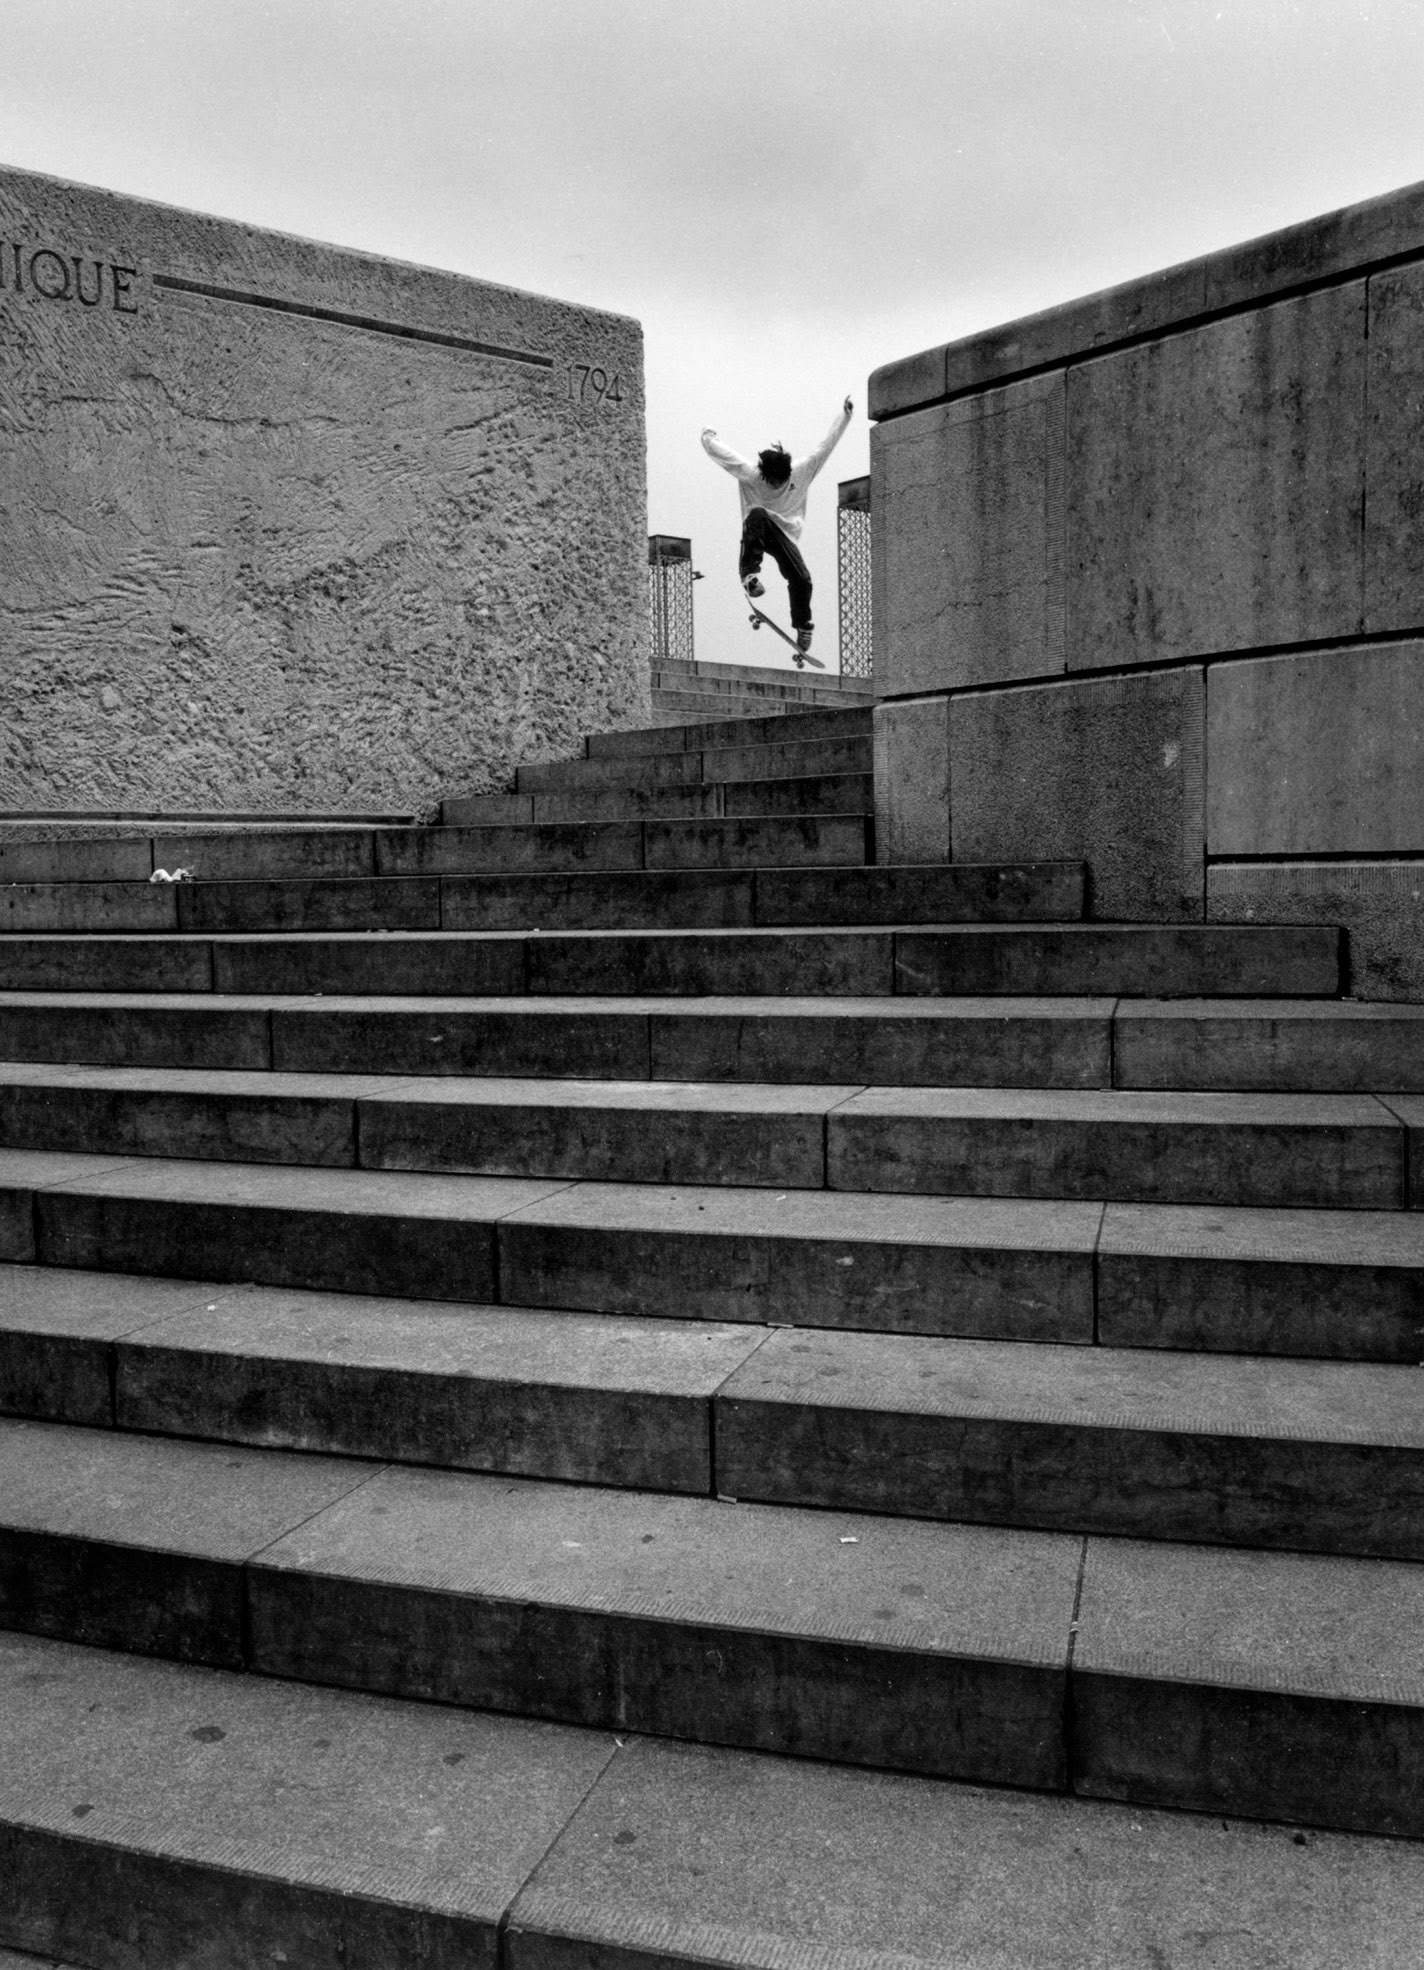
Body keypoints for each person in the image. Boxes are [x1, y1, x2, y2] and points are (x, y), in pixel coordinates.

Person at [701, 397, 853, 660]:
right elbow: (722, 455)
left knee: (802, 578)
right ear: (763, 474)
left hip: (785, 534)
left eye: (778, 483)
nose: (773, 486)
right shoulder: (751, 473)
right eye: (770, 482)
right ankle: (749, 575)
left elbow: (827, 445)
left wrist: (845, 415)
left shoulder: (802, 471)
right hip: (758, 529)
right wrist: (707, 435)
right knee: (757, 513)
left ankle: (803, 625)